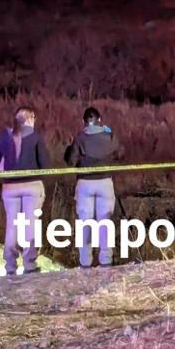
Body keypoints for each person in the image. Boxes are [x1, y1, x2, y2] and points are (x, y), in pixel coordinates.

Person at [0, 106, 50, 276]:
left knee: (12, 226)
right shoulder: (36, 137)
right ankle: (29, 264)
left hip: (10, 187)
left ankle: (10, 266)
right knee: (31, 225)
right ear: (30, 119)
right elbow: (45, 164)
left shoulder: (5, 135)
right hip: (32, 186)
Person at [65, 107, 121, 268]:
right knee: (105, 222)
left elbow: (71, 161)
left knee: (85, 223)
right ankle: (106, 260)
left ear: (83, 121)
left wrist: (69, 148)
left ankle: (85, 262)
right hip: (105, 182)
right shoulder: (110, 136)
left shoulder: (79, 138)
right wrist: (110, 134)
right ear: (100, 120)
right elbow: (120, 154)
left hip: (85, 183)